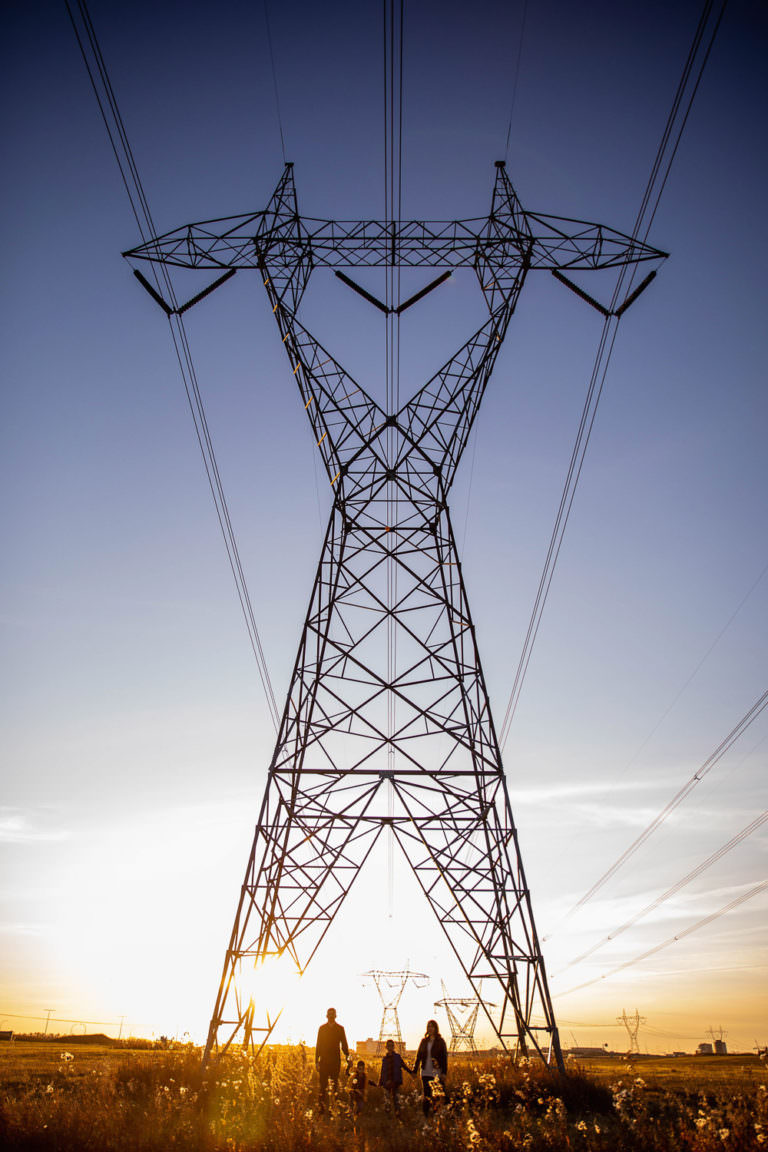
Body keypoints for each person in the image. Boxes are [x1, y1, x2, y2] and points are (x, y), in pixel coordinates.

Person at [315, 1007, 350, 1112]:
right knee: (323, 1086)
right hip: (324, 1062)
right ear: (326, 1016)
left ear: (335, 1016)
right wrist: (316, 1061)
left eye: (332, 1014)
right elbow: (318, 1045)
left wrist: (348, 1057)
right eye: (329, 1014)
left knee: (334, 1085)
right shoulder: (322, 1029)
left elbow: (344, 1044)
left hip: (335, 1062)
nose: (331, 1016)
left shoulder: (340, 1029)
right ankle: (321, 1109)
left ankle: (333, 1109)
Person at [413, 1018, 448, 1116]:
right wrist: (415, 1070)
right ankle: (426, 1116)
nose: (430, 1028)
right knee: (426, 1095)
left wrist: (444, 1072)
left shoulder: (440, 1042)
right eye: (428, 1026)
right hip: (425, 1072)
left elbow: (444, 1058)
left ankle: (437, 1116)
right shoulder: (424, 1041)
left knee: (437, 1095)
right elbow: (418, 1056)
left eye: (432, 1026)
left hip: (436, 1072)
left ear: (436, 1028)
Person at [378, 1039, 414, 1113]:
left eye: (391, 1046)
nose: (390, 1047)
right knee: (387, 1099)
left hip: (395, 1081)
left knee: (396, 1099)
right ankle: (388, 1115)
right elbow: (382, 1071)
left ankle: (397, 1114)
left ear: (393, 1047)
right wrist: (380, 1082)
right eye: (388, 1046)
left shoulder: (397, 1057)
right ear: (386, 1047)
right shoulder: (384, 1059)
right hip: (387, 1082)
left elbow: (404, 1066)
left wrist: (411, 1072)